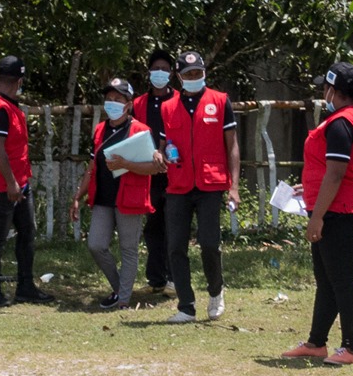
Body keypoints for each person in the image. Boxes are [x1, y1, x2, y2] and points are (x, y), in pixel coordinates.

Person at [284, 61, 353, 366]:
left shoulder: (339, 123)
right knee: (326, 280)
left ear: (334, 90)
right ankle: (316, 343)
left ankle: (350, 349)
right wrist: (309, 188)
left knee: (342, 281)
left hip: (342, 210)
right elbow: (337, 171)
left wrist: (317, 216)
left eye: (324, 87)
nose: (322, 92)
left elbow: (337, 174)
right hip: (340, 204)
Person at [160, 50, 241, 323]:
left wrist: (234, 187)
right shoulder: (167, 107)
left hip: (210, 182)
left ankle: (216, 291)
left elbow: (232, 146)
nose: (194, 78)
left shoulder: (220, 101)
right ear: (179, 77)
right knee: (175, 247)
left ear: (204, 73)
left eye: (198, 73)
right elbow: (162, 145)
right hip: (178, 184)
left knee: (209, 243)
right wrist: (160, 155)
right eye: (188, 74)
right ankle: (186, 306)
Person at [72, 78, 163, 309]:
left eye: (118, 100)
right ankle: (119, 288)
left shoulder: (141, 131)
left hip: (130, 198)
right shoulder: (100, 129)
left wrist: (127, 164)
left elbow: (155, 167)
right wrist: (78, 196)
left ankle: (122, 300)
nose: (112, 103)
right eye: (109, 99)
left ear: (129, 104)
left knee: (128, 249)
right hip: (102, 197)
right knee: (96, 244)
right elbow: (92, 167)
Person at [0, 54, 52, 306]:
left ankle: (25, 286)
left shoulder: (4, 104)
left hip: (18, 181)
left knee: (27, 232)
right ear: (18, 81)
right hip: (2, 185)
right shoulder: (0, 108)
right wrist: (10, 183)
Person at [134, 49, 177, 293]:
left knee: (174, 224)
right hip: (147, 173)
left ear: (171, 73)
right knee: (153, 226)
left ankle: (174, 277)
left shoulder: (179, 100)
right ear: (149, 72)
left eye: (164, 69)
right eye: (155, 68)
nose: (160, 73)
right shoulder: (139, 103)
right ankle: (156, 278)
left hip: (174, 172)